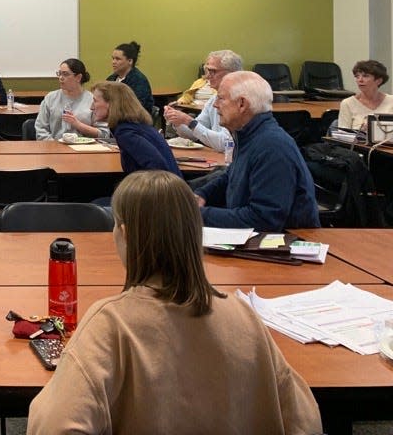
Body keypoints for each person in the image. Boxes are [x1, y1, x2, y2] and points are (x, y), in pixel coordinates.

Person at [26, 170, 323, 435]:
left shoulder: (110, 324)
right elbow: (305, 420)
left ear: (125, 235)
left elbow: (53, 426)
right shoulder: (243, 316)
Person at [195, 71, 320, 230]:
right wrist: (203, 194)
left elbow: (263, 219)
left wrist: (199, 215)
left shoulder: (272, 147)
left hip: (282, 244)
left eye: (220, 98)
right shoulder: (250, 136)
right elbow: (232, 176)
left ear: (242, 104)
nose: (215, 105)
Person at [91, 81, 179, 176]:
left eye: (95, 101)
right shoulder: (137, 125)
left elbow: (158, 167)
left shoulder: (126, 132)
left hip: (164, 189)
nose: (91, 107)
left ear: (112, 104)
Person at [163, 49, 243, 151]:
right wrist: (177, 120)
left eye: (212, 71)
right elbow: (194, 134)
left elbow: (225, 144)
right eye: (207, 71)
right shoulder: (213, 99)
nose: (207, 76)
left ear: (231, 73)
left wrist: (190, 122)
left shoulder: (239, 101)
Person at [35, 58, 100, 140]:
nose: (61, 78)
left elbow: (103, 133)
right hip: (54, 147)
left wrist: (78, 125)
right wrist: (55, 146)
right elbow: (41, 129)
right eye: (59, 74)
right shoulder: (51, 98)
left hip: (84, 148)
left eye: (65, 74)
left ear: (78, 77)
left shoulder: (92, 99)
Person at [338, 59, 393, 131]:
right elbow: (342, 135)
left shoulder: (391, 101)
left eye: (365, 76)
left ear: (378, 81)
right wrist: (361, 131)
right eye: (357, 76)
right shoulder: (347, 103)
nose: (360, 80)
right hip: (358, 142)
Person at [107, 40, 154, 116]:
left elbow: (136, 109)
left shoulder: (139, 81)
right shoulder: (111, 79)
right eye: (113, 58)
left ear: (130, 61)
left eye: (118, 59)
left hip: (135, 123)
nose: (113, 62)